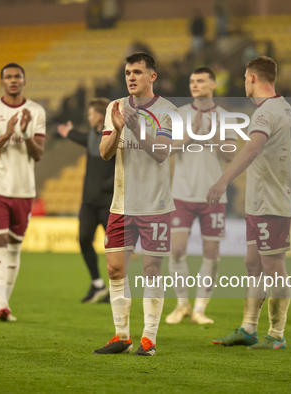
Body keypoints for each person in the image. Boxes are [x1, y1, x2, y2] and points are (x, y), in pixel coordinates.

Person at [207, 56, 291, 350]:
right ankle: (248, 328)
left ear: (253, 79)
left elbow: (252, 150)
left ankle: (277, 333)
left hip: (272, 201)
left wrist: (223, 181)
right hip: (260, 201)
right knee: (253, 264)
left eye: (246, 78)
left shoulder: (265, 112)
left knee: (274, 267)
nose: (244, 83)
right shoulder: (282, 107)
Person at [94, 52, 176, 356]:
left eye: (138, 72)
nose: (131, 77)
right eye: (128, 72)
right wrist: (116, 129)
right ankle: (121, 335)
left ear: (151, 77)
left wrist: (136, 127)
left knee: (152, 270)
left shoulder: (168, 111)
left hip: (154, 205)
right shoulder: (114, 107)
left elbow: (161, 152)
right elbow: (104, 153)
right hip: (121, 204)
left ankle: (149, 338)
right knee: (115, 269)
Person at [165, 67, 236, 325]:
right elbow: (169, 149)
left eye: (201, 80)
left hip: (213, 195)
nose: (195, 84)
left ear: (213, 84)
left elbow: (230, 155)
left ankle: (200, 309)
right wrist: (190, 134)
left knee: (211, 252)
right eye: (192, 80)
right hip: (182, 192)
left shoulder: (225, 117)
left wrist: (212, 135)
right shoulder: (180, 114)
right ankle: (182, 304)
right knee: (177, 250)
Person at [0, 63, 45, 322]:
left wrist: (24, 133)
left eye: (17, 76)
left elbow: (38, 153)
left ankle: (4, 303)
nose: (13, 80)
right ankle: (1, 303)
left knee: (15, 248)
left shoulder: (36, 111)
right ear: (1, 82)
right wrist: (8, 132)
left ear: (24, 80)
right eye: (8, 77)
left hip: (24, 189)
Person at [57, 98, 114, 303]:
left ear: (99, 116)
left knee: (115, 249)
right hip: (89, 201)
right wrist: (68, 133)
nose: (88, 117)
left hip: (109, 201)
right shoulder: (92, 135)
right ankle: (98, 284)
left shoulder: (115, 137)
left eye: (91, 114)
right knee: (83, 239)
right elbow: (84, 138)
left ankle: (117, 289)